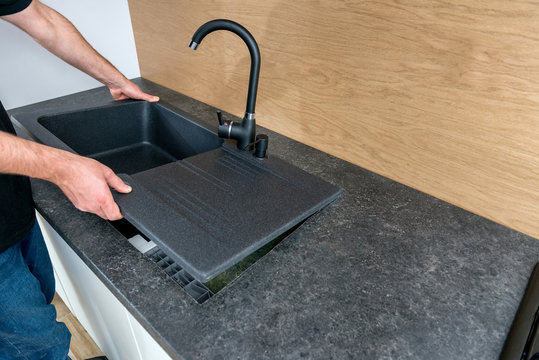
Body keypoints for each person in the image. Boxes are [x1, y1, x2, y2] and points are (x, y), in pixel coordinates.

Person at [0, 0, 159, 359]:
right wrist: (61, 168)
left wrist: (115, 79)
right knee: (34, 345)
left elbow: (41, 19)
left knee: (40, 296)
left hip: (9, 197)